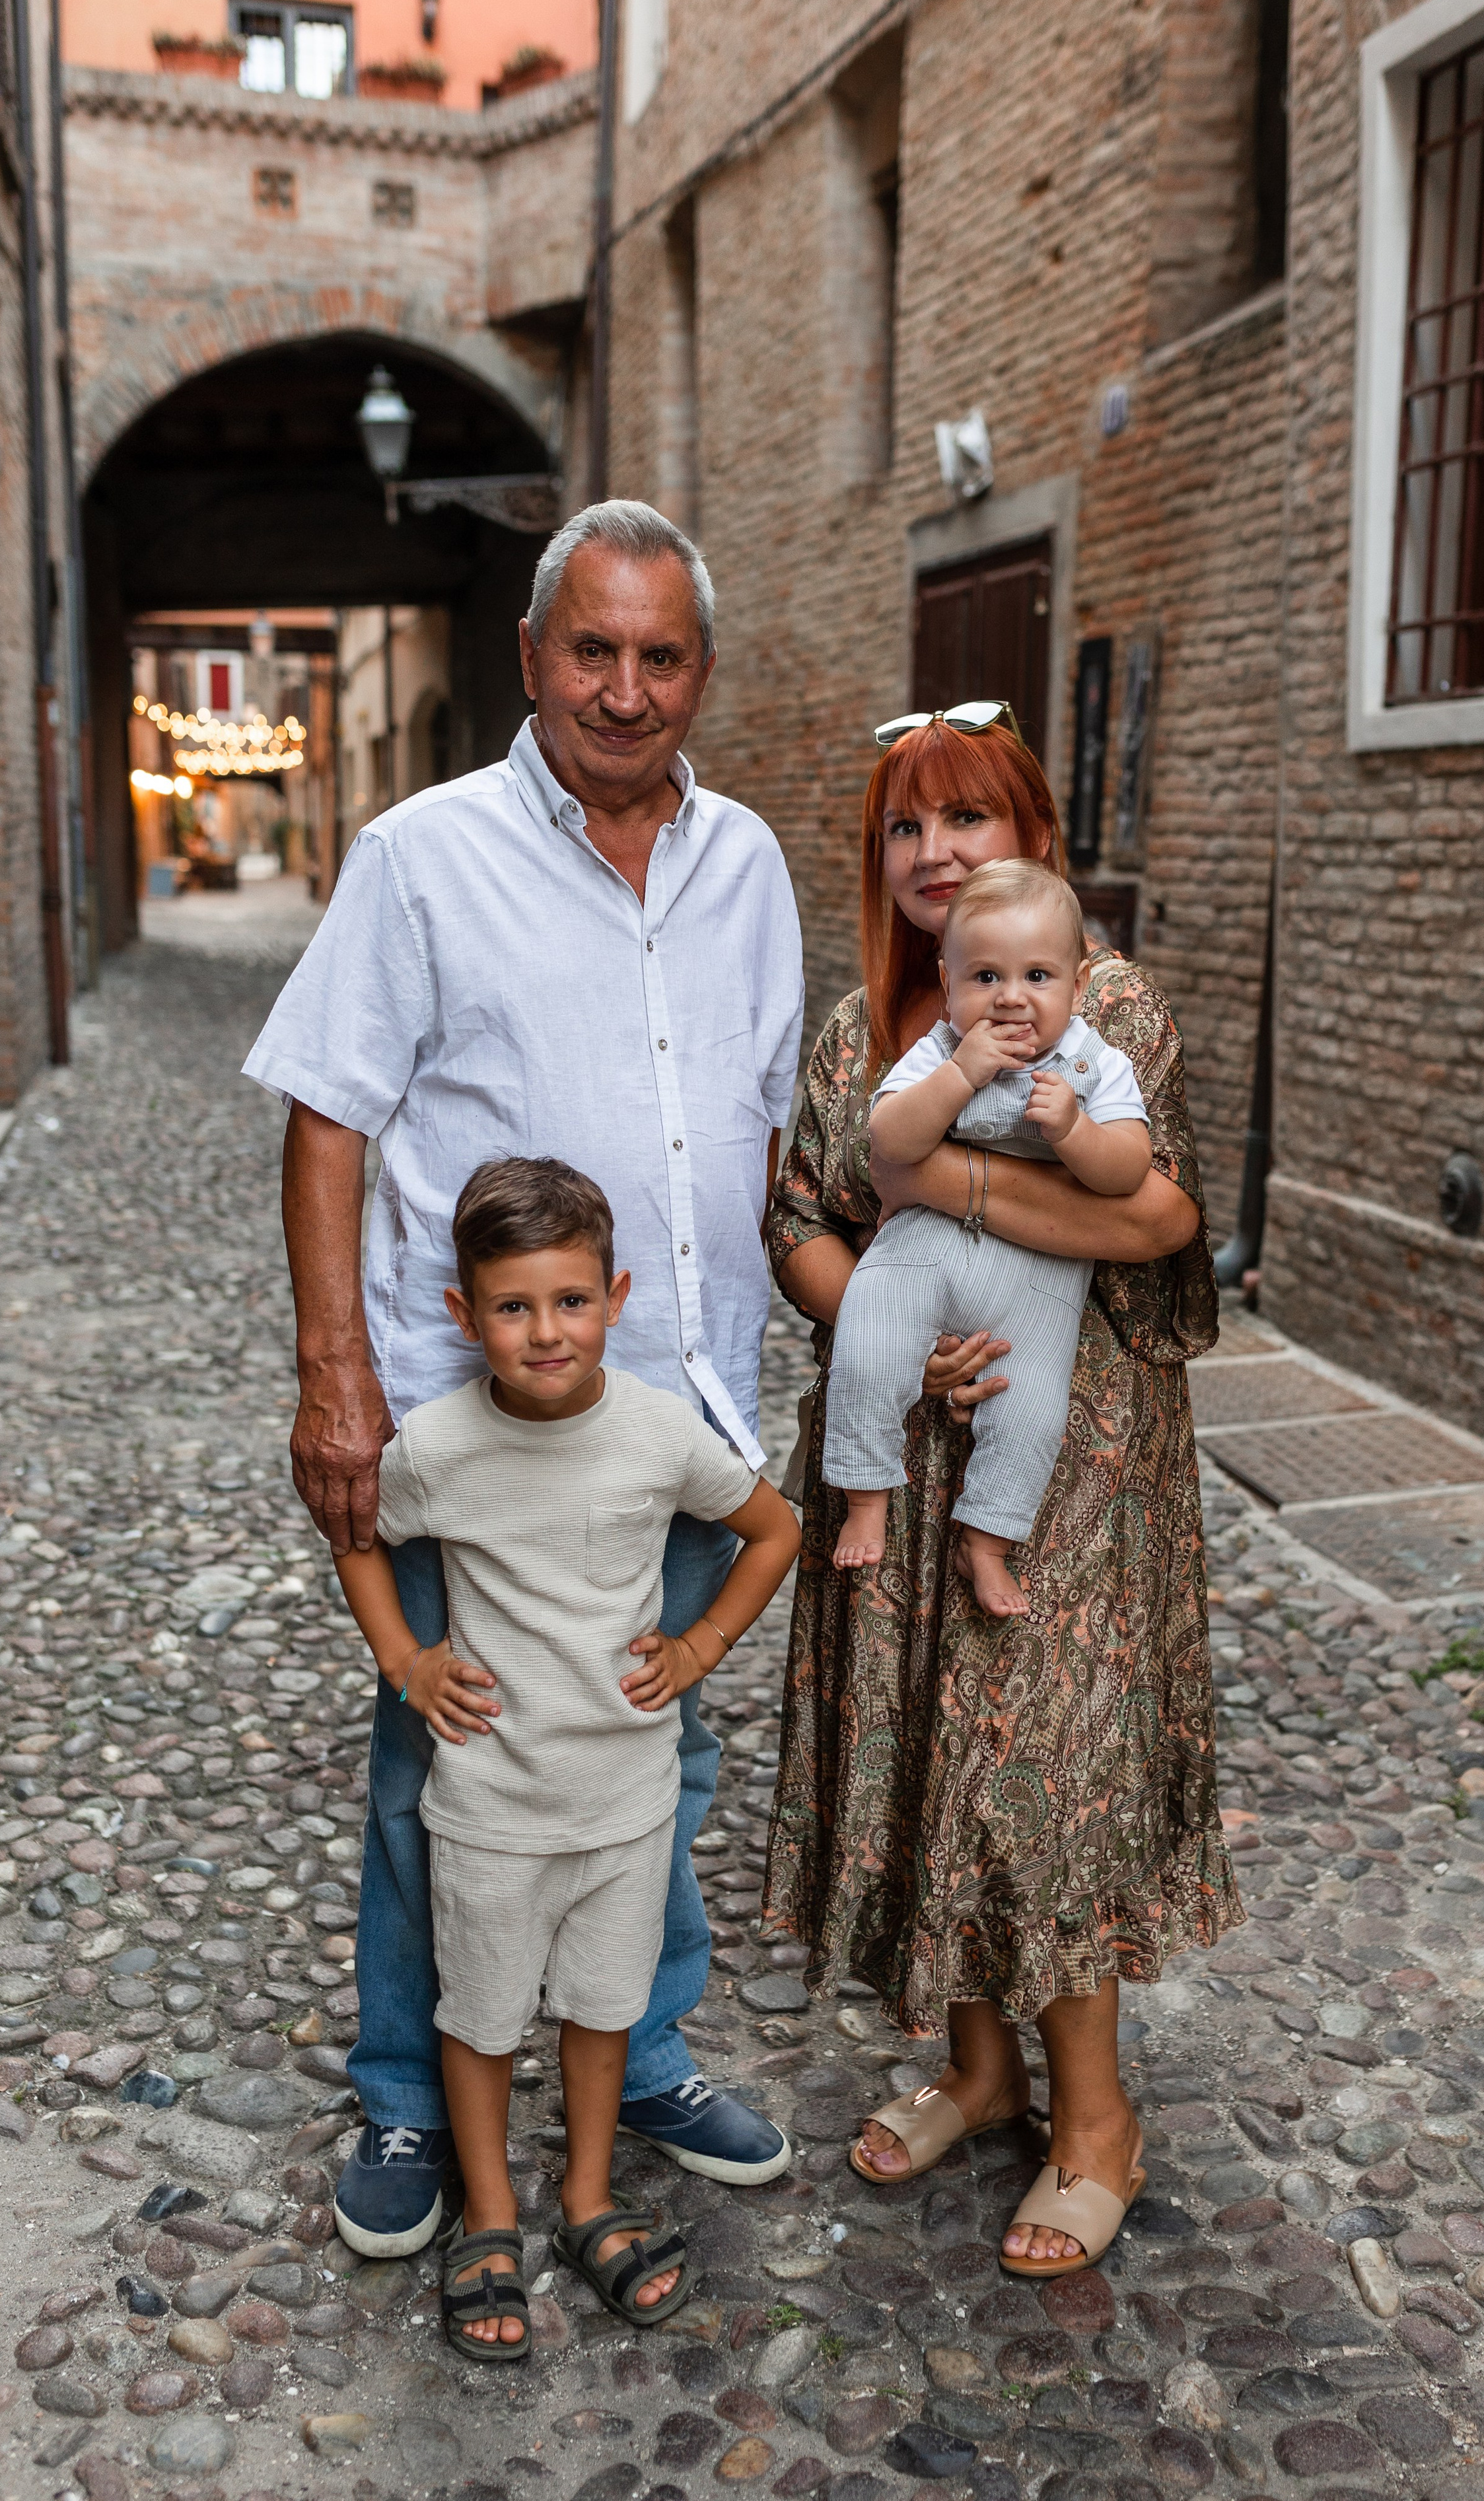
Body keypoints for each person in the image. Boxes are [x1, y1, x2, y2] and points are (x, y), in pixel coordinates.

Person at [244, 499, 804, 2259]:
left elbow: (757, 1133)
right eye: (593, 649)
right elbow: (329, 1115)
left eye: (659, 656)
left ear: (701, 669)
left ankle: (633, 2050)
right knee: (446, 1767)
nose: (624, 691)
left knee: (663, 1747)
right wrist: (338, 1378)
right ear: (532, 656)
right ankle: (411, 2093)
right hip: (472, 1419)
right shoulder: (426, 854)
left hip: (674, 1418)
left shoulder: (753, 868)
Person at [765, 704, 1243, 2277]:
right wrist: (879, 1330)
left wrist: (953, 1183)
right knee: (925, 1748)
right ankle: (978, 2069)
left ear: (1026, 832)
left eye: (965, 820)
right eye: (904, 829)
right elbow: (798, 1217)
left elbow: (1154, 1216)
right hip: (903, 1437)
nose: (935, 854)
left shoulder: (1095, 1003)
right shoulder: (858, 1030)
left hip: (1071, 1449)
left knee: (1041, 1761)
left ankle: (1092, 2115)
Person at [334, 1157, 800, 2355]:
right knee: (480, 2015)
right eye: (513, 1307)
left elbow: (773, 1527)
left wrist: (700, 1645)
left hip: (628, 1805)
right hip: (489, 1806)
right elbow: (360, 1537)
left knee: (604, 2008)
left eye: (572, 1301)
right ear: (464, 1314)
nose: (546, 1332)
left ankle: (589, 2196)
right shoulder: (438, 1447)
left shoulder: (658, 1434)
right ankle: (489, 2210)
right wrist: (408, 1661)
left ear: (619, 1294)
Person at [826, 857, 1150, 1615]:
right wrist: (960, 1077)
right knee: (867, 1344)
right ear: (948, 982)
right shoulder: (940, 1051)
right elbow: (891, 1141)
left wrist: (1072, 1130)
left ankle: (988, 1542)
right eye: (984, 978)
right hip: (922, 1250)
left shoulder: (1096, 1066)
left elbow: (1128, 1171)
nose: (1010, 998)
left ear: (1076, 984)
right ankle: (866, 1493)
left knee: (1032, 1413)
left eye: (1037, 976)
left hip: (1037, 1280)